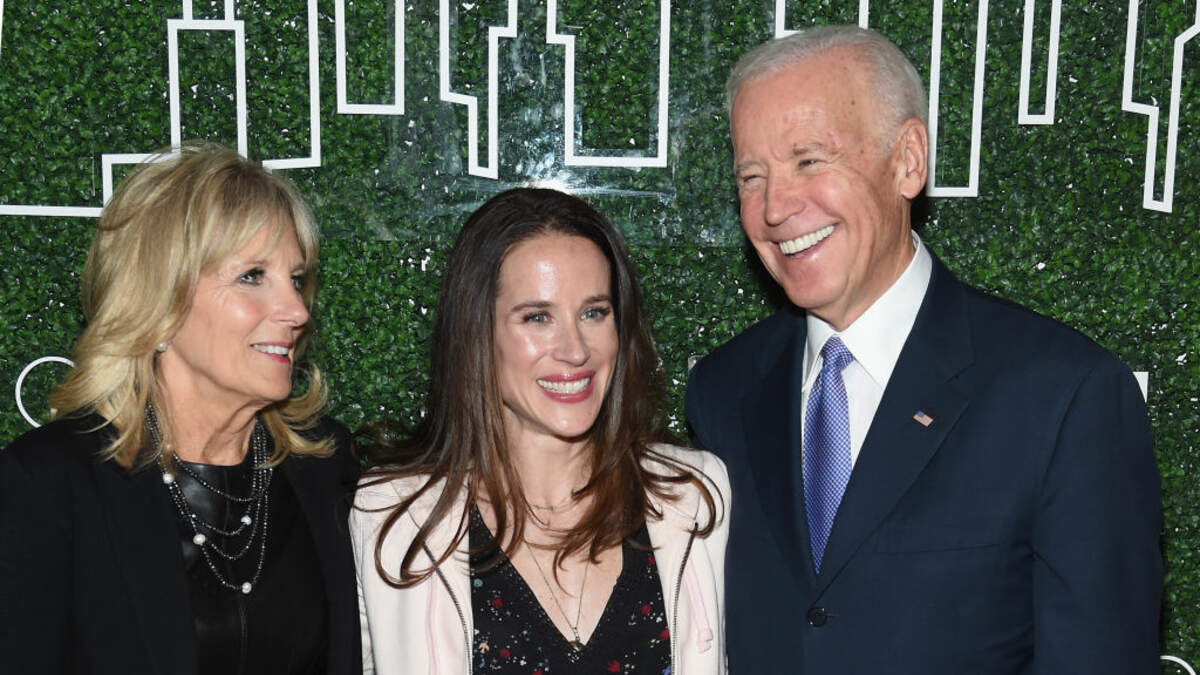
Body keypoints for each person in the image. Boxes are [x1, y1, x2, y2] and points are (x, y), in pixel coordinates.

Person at [685, 25, 1162, 673]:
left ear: (908, 160)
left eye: (809, 161)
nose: (775, 206)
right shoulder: (723, 390)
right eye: (751, 175)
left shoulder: (1064, 397)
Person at [0, 144, 361, 674]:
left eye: (296, 279)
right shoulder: (50, 485)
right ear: (160, 299)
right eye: (252, 276)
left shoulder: (326, 468)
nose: (296, 310)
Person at [352, 187, 728, 674]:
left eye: (593, 312)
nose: (575, 350)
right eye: (537, 317)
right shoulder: (393, 515)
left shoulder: (694, 496)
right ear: (477, 333)